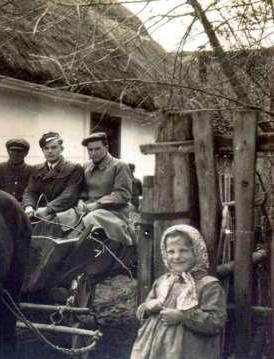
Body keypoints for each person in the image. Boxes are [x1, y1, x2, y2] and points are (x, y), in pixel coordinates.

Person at [131, 224, 226, 359]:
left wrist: (183, 316)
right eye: (171, 251)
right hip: (153, 349)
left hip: (189, 351)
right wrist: (148, 307)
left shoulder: (209, 285)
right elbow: (142, 312)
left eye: (183, 250)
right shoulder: (162, 282)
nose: (176, 256)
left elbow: (216, 322)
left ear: (197, 252)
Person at [78, 132, 136, 246]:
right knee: (63, 218)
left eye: (97, 149)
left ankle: (116, 250)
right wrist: (81, 200)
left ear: (106, 147)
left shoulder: (119, 166)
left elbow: (123, 194)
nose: (93, 153)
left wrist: (98, 204)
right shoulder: (86, 167)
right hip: (89, 209)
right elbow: (83, 190)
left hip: (114, 212)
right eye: (90, 150)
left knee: (91, 218)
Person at [22, 132, 83, 220]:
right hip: (38, 211)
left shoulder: (73, 168)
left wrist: (48, 209)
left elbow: (69, 195)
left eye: (54, 147)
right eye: (46, 148)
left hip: (62, 212)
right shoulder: (36, 169)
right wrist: (29, 207)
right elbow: (30, 191)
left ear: (61, 149)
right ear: (43, 151)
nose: (50, 151)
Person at [0, 138, 33, 203]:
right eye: (12, 150)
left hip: (23, 209)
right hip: (1, 207)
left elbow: (32, 194)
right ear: (7, 151)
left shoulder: (32, 171)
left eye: (19, 151)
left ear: (26, 153)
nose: (15, 154)